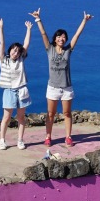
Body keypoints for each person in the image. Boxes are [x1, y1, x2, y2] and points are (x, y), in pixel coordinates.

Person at [29, 8, 93, 147]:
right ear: (55, 38)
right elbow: (43, 33)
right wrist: (38, 19)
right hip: (52, 87)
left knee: (67, 113)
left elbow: (77, 35)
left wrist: (84, 21)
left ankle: (68, 137)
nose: (61, 39)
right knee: (50, 114)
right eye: (59, 37)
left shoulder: (68, 50)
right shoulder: (49, 49)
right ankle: (48, 137)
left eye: (63, 37)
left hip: (66, 88)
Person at [0, 16, 33, 150]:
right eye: (13, 50)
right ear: (10, 50)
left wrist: (28, 29)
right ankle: (2, 141)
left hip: (22, 90)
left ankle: (20, 140)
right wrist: (1, 27)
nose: (15, 53)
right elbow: (2, 44)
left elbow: (26, 44)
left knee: (21, 118)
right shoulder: (3, 60)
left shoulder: (21, 59)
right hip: (9, 90)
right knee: (6, 117)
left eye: (17, 51)